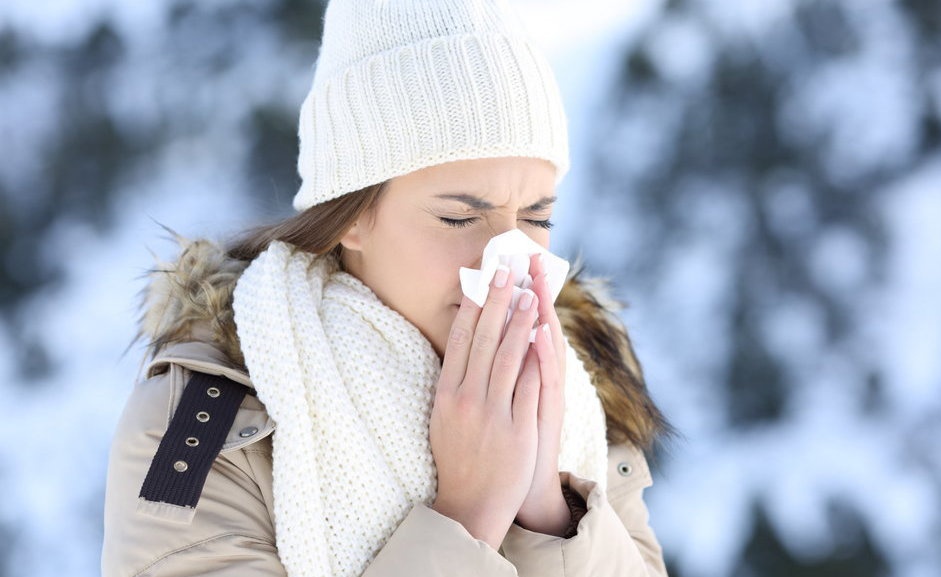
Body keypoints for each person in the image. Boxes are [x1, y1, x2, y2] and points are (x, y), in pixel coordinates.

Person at [101, 0, 672, 575]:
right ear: (352, 215)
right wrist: (469, 514)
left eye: (537, 219)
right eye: (460, 218)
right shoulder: (208, 425)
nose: (510, 264)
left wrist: (547, 507)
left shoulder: (578, 391)